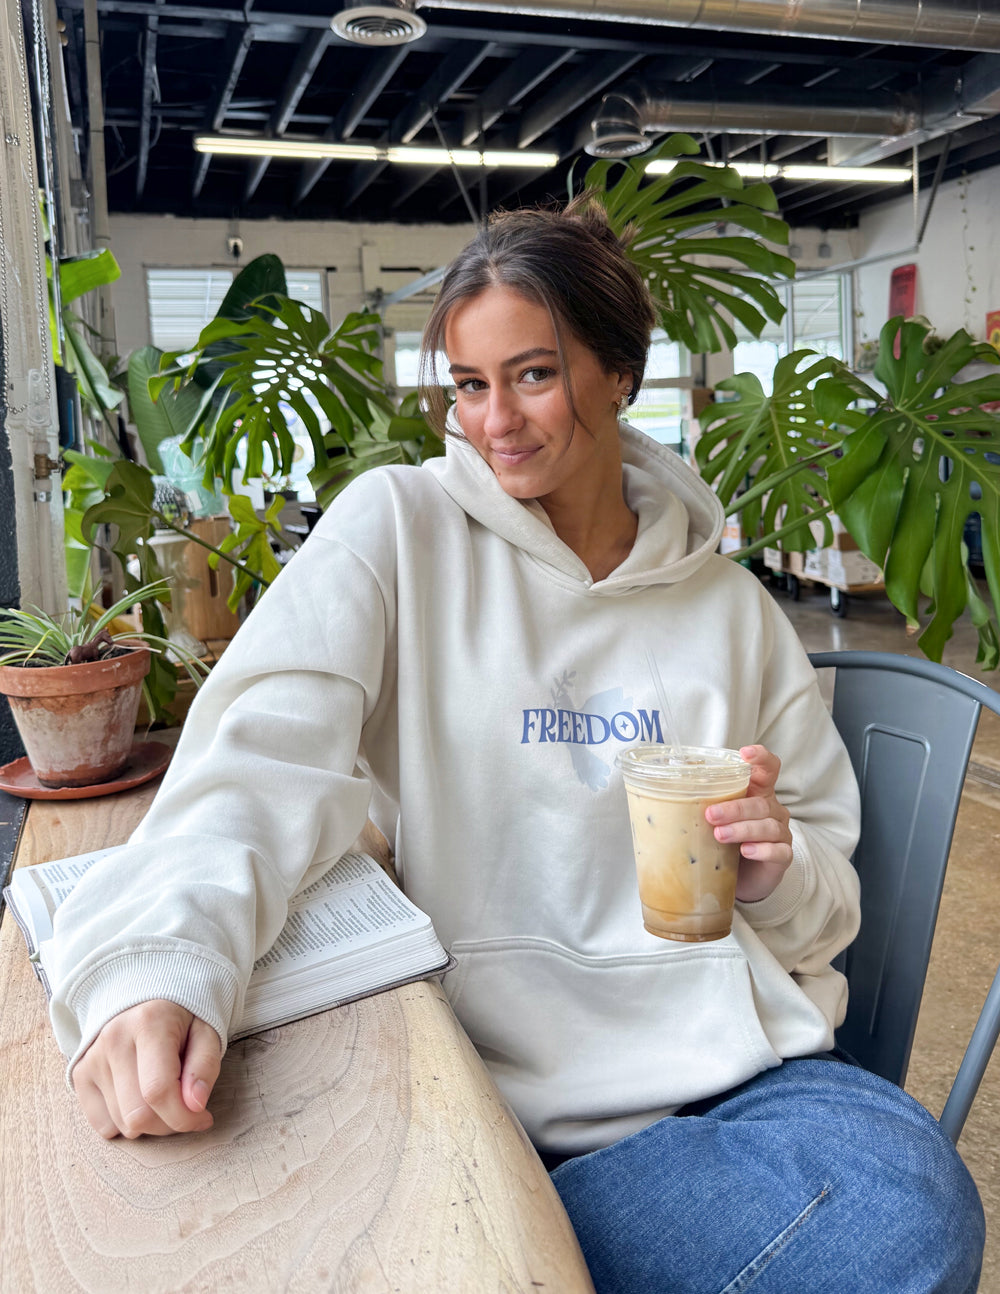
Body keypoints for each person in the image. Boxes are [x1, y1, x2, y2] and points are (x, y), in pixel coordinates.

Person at [48, 198, 983, 1293]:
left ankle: (497, 1243)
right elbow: (259, 756)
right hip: (487, 1077)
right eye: (467, 383)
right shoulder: (399, 528)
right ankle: (500, 1234)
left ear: (620, 370)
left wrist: (775, 870)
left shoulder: (729, 609)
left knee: (907, 1208)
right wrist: (164, 965)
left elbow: (829, 913)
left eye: (533, 375)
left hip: (742, 1086)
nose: (495, 420)